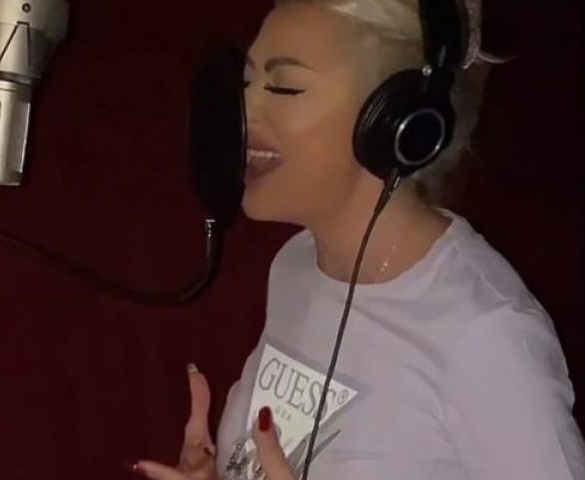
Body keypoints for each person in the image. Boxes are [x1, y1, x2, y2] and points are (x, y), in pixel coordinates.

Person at [126, 1, 585, 479]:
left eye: (285, 86)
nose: (243, 112)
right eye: (246, 82)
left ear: (394, 121)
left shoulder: (486, 336)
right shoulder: (296, 265)